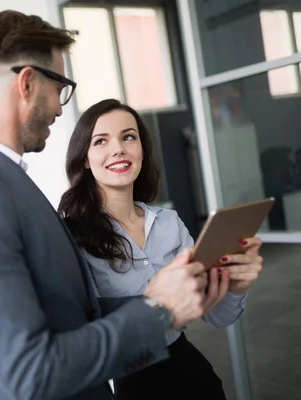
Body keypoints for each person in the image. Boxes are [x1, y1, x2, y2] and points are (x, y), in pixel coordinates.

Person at [0, 10, 218, 400]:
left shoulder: (5, 182)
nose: (61, 108)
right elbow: (29, 376)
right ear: (27, 83)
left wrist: (164, 296)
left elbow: (71, 314)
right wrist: (156, 311)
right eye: (60, 86)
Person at [58, 99, 264, 399]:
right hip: (126, 378)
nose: (119, 149)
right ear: (85, 159)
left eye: (129, 137)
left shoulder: (169, 222)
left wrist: (234, 286)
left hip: (187, 368)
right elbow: (80, 331)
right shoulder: (71, 236)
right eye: (101, 141)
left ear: (142, 150)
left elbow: (216, 317)